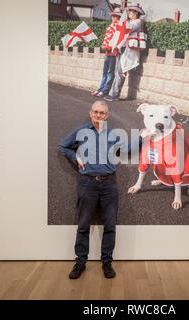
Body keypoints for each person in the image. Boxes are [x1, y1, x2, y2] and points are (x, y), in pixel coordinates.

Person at [58, 100, 140, 279]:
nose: (98, 115)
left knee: (110, 226)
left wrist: (143, 137)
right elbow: (63, 146)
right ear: (90, 113)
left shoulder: (113, 134)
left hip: (109, 185)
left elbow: (127, 150)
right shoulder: (81, 132)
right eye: (95, 112)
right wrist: (76, 157)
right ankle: (80, 262)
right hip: (88, 184)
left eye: (102, 113)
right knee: (83, 225)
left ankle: (107, 262)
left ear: (107, 115)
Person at [104, 3, 146, 102]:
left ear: (136, 12)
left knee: (120, 72)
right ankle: (113, 93)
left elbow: (128, 28)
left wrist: (122, 21)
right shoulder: (129, 21)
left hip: (129, 51)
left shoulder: (138, 22)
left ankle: (114, 94)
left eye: (131, 11)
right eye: (129, 11)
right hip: (123, 49)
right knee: (117, 71)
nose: (129, 12)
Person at [91, 8, 122, 98]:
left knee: (109, 72)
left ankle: (105, 90)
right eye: (113, 16)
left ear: (119, 17)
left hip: (113, 52)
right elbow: (107, 38)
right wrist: (104, 45)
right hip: (107, 52)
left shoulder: (118, 27)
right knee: (105, 72)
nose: (114, 18)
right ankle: (101, 88)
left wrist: (108, 47)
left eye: (116, 16)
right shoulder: (111, 26)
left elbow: (117, 41)